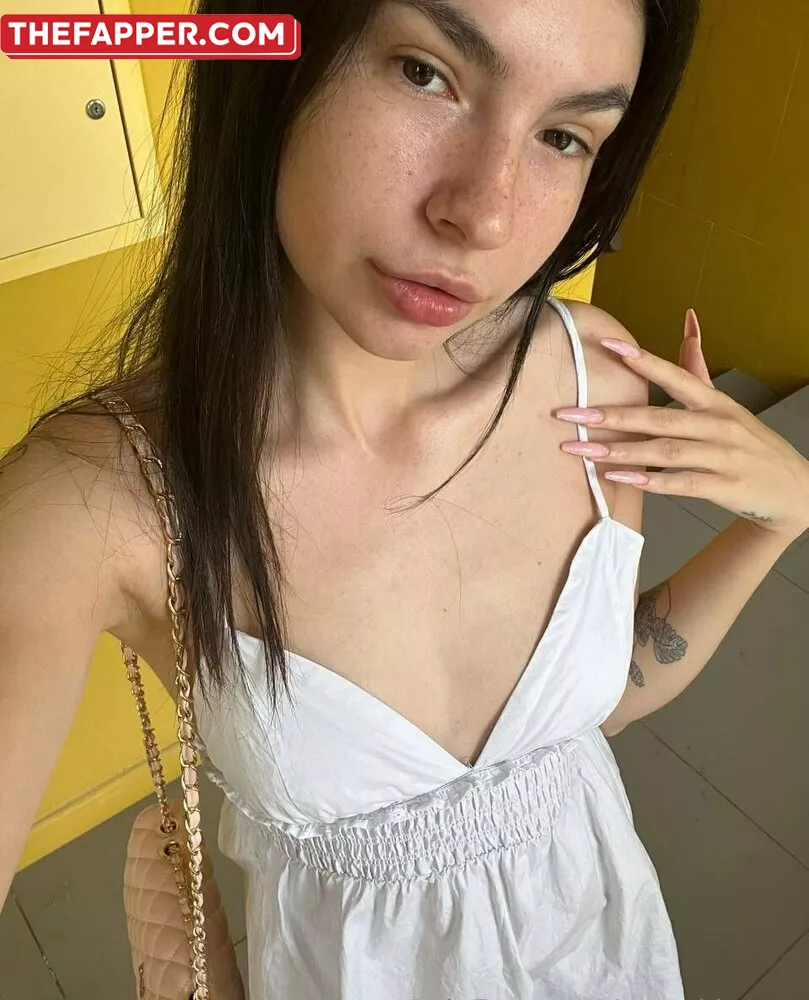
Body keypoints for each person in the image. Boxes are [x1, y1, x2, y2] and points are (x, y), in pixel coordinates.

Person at [2, 0, 807, 996]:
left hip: (608, 953)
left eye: (563, 135)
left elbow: (585, 710)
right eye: (425, 73)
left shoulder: (592, 373)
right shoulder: (91, 500)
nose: (485, 216)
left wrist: (782, 518)